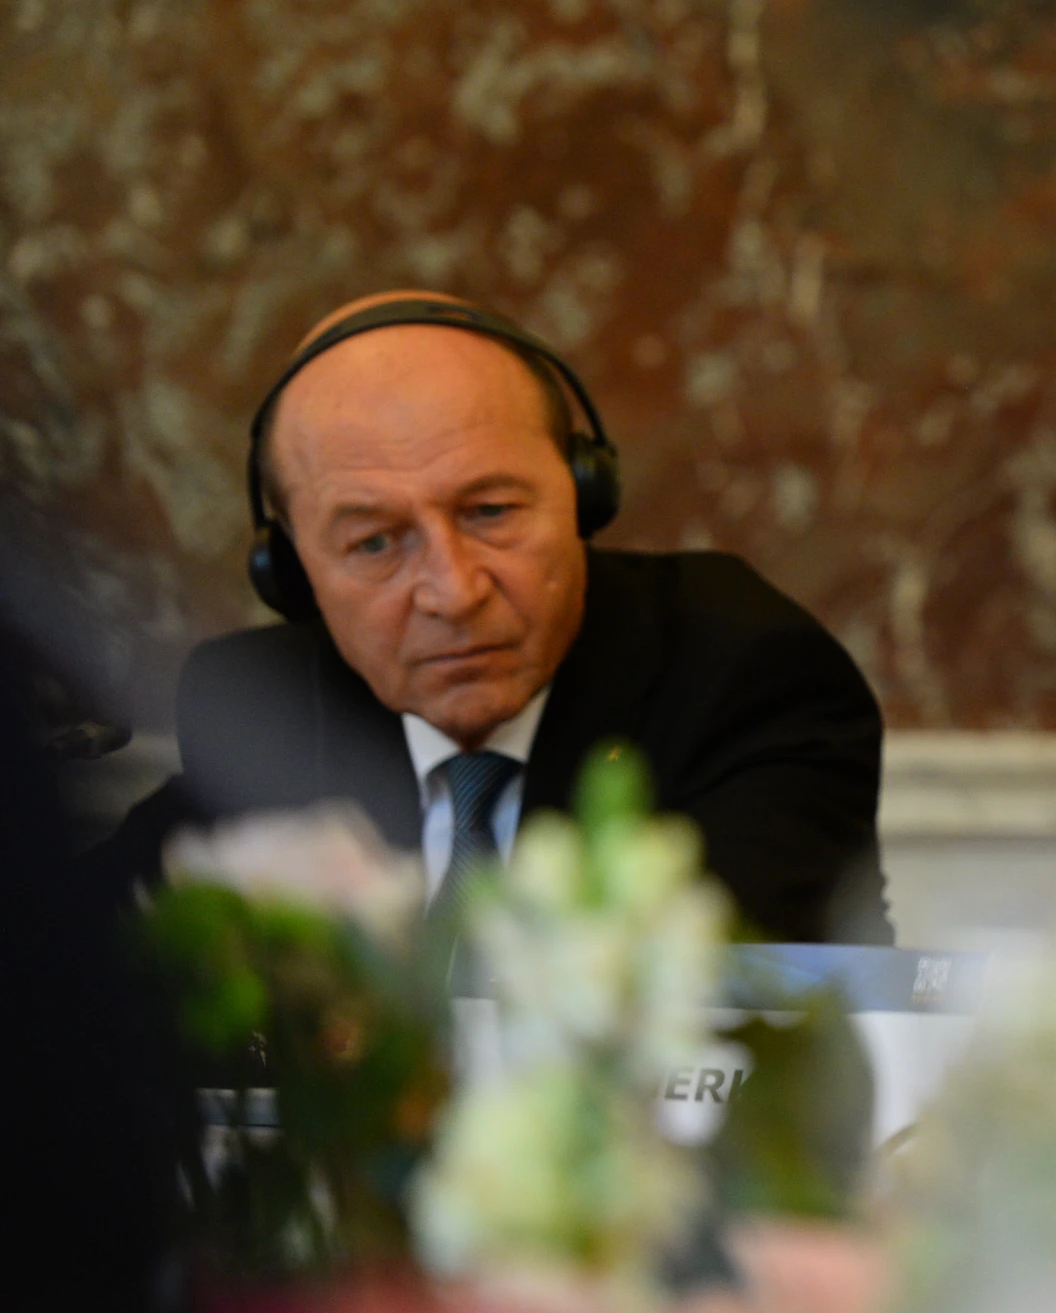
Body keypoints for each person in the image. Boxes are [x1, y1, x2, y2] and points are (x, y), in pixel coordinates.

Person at [99, 292, 890, 943]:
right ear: (293, 574)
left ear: (584, 494)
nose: (453, 589)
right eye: (374, 541)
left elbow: (684, 1021)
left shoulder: (746, 679)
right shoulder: (262, 706)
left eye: (489, 511)